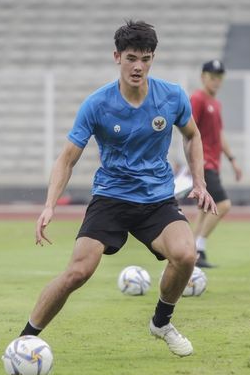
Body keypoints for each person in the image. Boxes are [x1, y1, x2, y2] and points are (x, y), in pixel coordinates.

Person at [18, 20, 217, 357]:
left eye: (146, 58)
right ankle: (24, 340)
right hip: (111, 198)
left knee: (186, 255)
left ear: (153, 58)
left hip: (157, 200)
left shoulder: (171, 96)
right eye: (131, 58)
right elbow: (67, 158)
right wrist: (50, 205)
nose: (138, 66)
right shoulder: (97, 104)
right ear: (117, 57)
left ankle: (161, 322)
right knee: (77, 273)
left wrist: (199, 181)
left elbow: (193, 135)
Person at [188, 60, 242, 268]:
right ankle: (198, 248)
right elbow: (188, 130)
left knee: (204, 210)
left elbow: (219, 135)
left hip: (213, 162)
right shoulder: (197, 99)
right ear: (203, 77)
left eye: (219, 77)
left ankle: (189, 252)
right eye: (212, 77)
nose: (216, 81)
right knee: (223, 205)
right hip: (204, 163)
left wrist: (232, 160)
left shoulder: (215, 103)